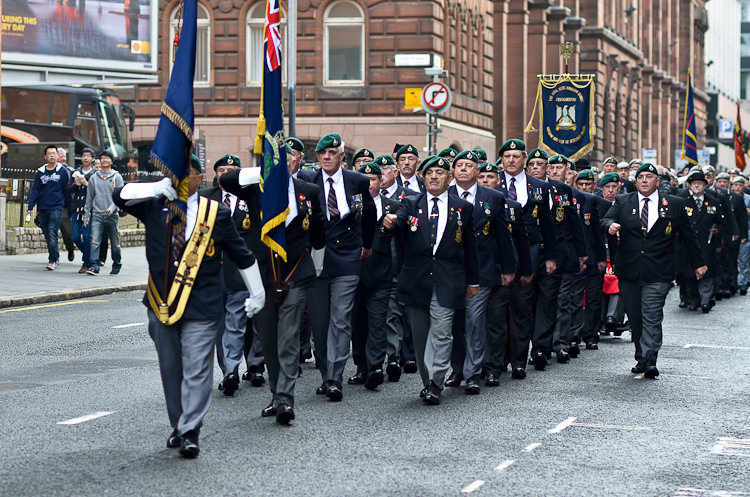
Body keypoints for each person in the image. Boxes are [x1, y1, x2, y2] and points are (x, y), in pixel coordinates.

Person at [112, 155, 265, 457]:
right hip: (162, 302)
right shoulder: (155, 204)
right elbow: (119, 194)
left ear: (200, 178)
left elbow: (242, 254)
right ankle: (178, 423)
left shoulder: (216, 213)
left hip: (202, 306)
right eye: (175, 174)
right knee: (172, 370)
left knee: (197, 369)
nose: (182, 179)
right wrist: (156, 187)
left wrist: (257, 292)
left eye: (188, 174)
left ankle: (191, 429)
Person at [220, 152, 326, 424]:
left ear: (296, 163)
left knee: (288, 337)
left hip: (295, 272)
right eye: (276, 159)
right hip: (263, 273)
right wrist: (263, 172)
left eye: (288, 158)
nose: (283, 163)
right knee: (268, 338)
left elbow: (318, 232)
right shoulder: (257, 190)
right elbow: (229, 179)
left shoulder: (309, 190)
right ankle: (276, 393)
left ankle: (286, 398)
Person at [382, 156, 479, 405]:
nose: (434, 176)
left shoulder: (462, 208)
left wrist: (473, 281)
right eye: (429, 173)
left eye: (439, 172)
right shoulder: (411, 203)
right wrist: (391, 221)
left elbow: (470, 247)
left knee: (442, 333)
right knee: (421, 335)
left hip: (448, 280)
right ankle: (428, 382)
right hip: (416, 280)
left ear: (449, 177)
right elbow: (398, 221)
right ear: (423, 178)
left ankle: (436, 382)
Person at [603, 163, 707, 378]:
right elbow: (606, 219)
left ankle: (650, 359)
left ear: (657, 182)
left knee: (652, 315)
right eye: (640, 176)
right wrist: (610, 226)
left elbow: (689, 236)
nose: (643, 180)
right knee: (635, 317)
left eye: (648, 176)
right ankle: (641, 354)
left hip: (659, 271)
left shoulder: (675, 204)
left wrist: (699, 263)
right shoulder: (623, 201)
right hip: (629, 270)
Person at [297, 133, 376, 402]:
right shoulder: (307, 180)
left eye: (332, 153)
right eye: (322, 154)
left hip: (347, 257)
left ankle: (335, 378)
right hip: (316, 258)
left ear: (342, 156)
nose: (327, 157)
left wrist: (367, 244)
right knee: (319, 323)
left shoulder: (358, 181)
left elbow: (369, 213)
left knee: (340, 320)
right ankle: (325, 372)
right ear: (317, 157)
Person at [448, 150, 515, 393]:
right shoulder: (444, 195)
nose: (464, 169)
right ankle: (457, 369)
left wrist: (508, 268)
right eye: (460, 165)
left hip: (483, 270)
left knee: (474, 321)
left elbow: (503, 237)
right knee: (454, 324)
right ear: (453, 171)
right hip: (451, 271)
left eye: (469, 165)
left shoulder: (493, 197)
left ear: (477, 171)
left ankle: (473, 373)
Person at [198, 154, 261, 396]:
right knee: (220, 328)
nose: (226, 174)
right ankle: (228, 368)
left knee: (236, 324)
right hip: (212, 273)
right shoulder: (205, 199)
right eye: (221, 169)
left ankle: (232, 370)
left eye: (231, 170)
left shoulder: (249, 197)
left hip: (239, 273)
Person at [495, 141, 556, 373]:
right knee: (499, 311)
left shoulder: (539, 186)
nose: (511, 160)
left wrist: (550, 256)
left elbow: (548, 225)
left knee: (522, 309)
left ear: (524, 160)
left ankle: (519, 360)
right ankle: (498, 360)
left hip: (528, 255)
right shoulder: (492, 182)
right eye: (507, 156)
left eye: (516, 156)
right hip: (499, 256)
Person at [349, 161, 401, 390]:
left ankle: (375, 367)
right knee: (357, 323)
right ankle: (361, 366)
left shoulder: (394, 206)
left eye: (372, 179)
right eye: (364, 179)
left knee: (378, 321)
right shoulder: (351, 205)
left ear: (381, 182)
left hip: (382, 274)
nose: (368, 184)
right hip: (354, 273)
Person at [675, 170, 724, 312]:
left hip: (707, 244)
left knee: (707, 275)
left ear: (705, 186)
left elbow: (721, 222)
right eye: (694, 183)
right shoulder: (683, 202)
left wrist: (717, 233)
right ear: (689, 185)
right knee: (690, 275)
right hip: (688, 245)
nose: (697, 186)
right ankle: (693, 299)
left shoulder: (713, 202)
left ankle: (705, 300)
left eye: (700, 184)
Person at [27, 145, 71, 270]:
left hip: (57, 207)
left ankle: (53, 259)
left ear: (57, 156)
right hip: (43, 208)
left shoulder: (63, 171)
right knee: (47, 233)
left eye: (54, 153)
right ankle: (54, 256)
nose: (52, 155)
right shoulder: (40, 172)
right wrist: (30, 207)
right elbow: (35, 190)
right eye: (49, 154)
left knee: (52, 231)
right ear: (45, 157)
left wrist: (70, 208)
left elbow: (66, 190)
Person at [84, 151, 124, 275]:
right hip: (97, 214)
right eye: (102, 159)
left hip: (112, 215)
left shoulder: (117, 177)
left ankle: (117, 264)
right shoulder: (94, 178)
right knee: (95, 241)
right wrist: (86, 215)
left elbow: (120, 197)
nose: (104, 161)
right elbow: (89, 197)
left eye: (107, 158)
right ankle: (94, 266)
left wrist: (112, 208)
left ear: (111, 161)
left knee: (115, 243)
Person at [69, 147, 98, 273]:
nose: (85, 158)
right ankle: (89, 255)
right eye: (83, 155)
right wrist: (75, 185)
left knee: (87, 237)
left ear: (92, 159)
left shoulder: (96, 174)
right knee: (75, 236)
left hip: (89, 209)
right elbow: (67, 190)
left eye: (88, 155)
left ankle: (86, 263)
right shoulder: (75, 172)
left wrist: (87, 184)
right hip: (77, 208)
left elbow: (99, 192)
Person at [57, 147, 77, 262]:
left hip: (65, 206)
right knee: (51, 232)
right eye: (61, 156)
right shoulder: (47, 170)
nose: (63, 159)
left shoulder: (70, 170)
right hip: (52, 206)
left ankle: (70, 249)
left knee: (67, 233)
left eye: (64, 156)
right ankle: (54, 257)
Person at [732, 175, 750, 295]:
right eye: (736, 185)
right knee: (734, 259)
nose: (738, 188)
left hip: (746, 232)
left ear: (745, 186)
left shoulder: (748, 199)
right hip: (733, 232)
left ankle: (743, 283)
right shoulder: (729, 198)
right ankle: (735, 281)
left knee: (744, 259)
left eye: (740, 185)